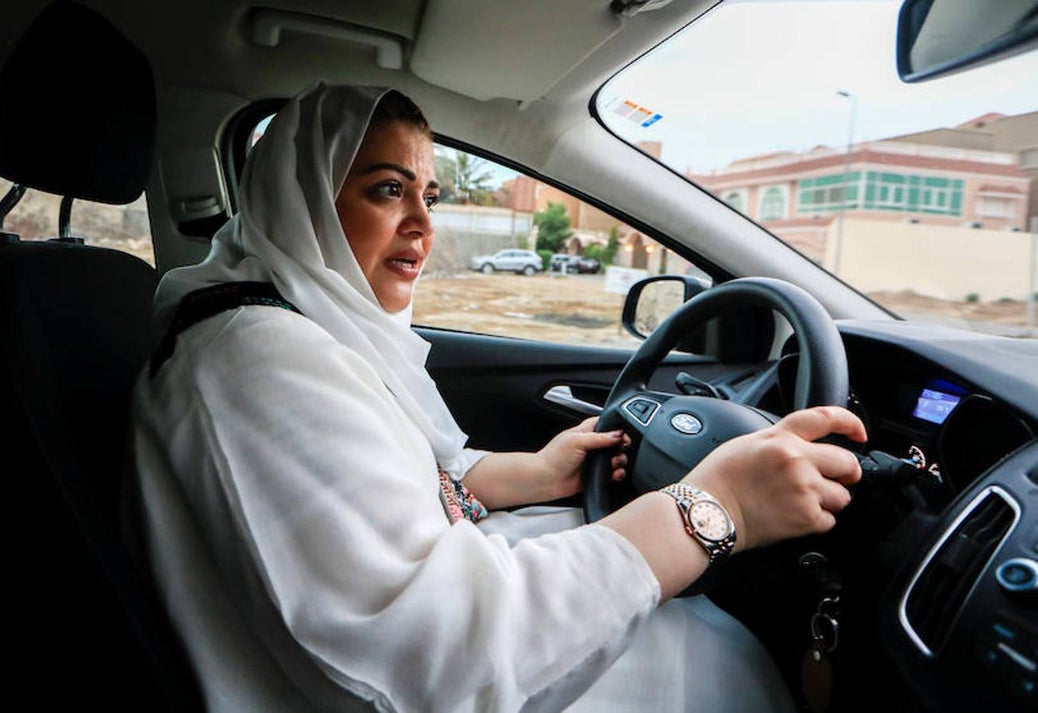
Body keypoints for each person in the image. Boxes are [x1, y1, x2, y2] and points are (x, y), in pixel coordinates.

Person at [130, 82, 866, 713]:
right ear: (303, 202)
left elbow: (400, 474)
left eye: (430, 193)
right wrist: (714, 508)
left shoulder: (298, 329)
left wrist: (537, 473)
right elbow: (441, 654)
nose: (423, 222)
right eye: (388, 189)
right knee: (710, 659)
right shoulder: (254, 357)